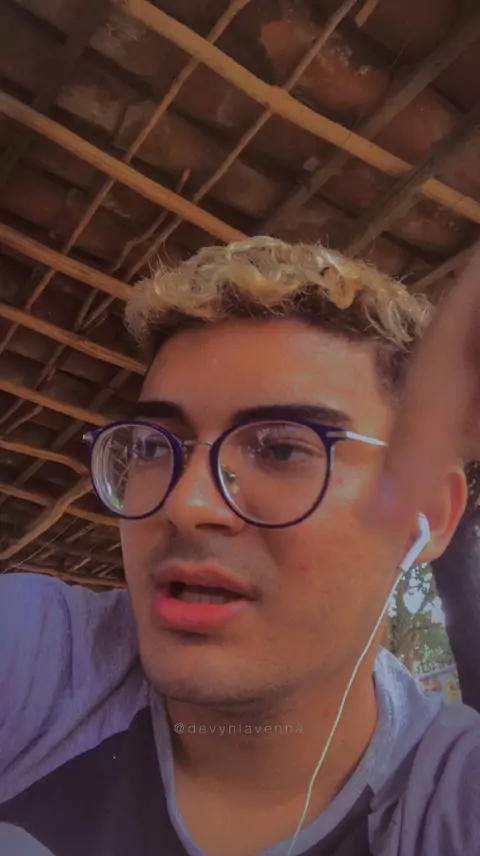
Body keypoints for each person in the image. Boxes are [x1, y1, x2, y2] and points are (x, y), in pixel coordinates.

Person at [0, 237, 479, 856]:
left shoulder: (451, 803)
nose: (186, 503)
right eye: (152, 446)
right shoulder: (39, 664)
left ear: (427, 514)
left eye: (281, 449)